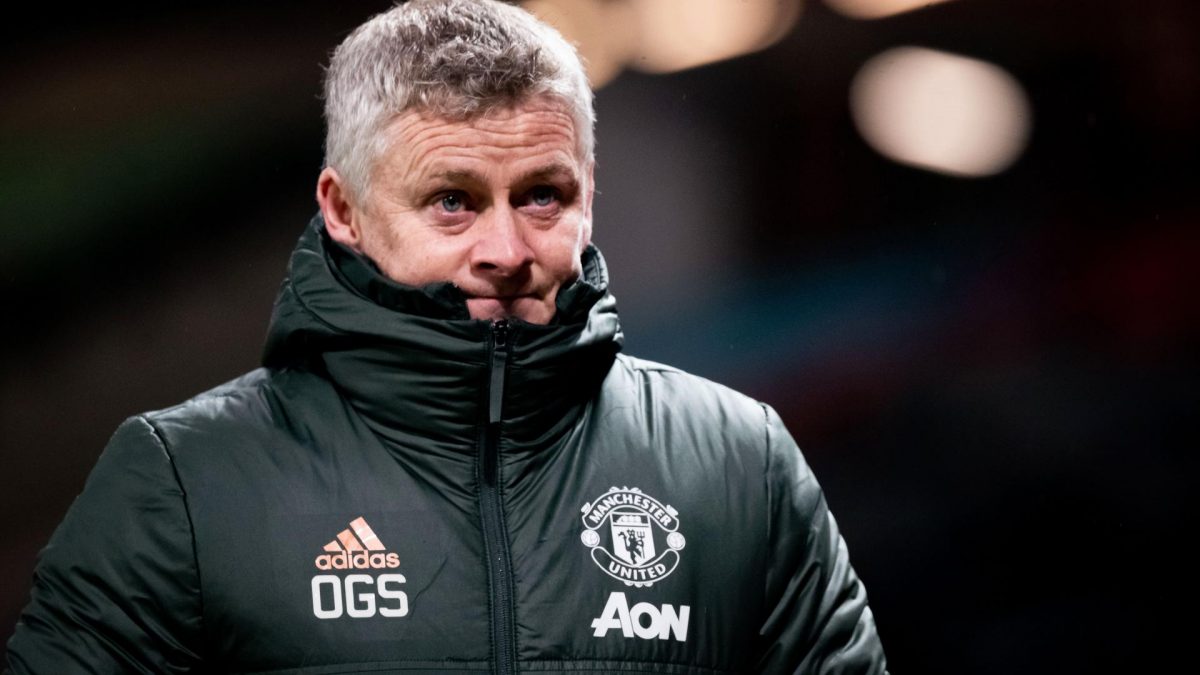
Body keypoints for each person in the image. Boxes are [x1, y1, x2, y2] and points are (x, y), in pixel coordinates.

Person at [5, 0, 887, 672]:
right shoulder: (184, 479)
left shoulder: (741, 464)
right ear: (344, 209)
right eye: (452, 202)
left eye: (542, 194)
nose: (504, 251)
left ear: (589, 187)